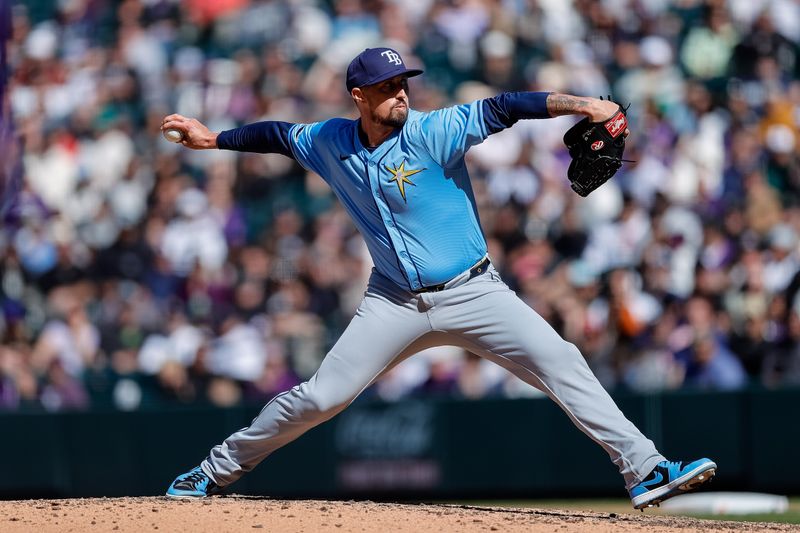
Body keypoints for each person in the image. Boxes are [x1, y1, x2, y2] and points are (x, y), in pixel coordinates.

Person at [162, 47, 716, 509]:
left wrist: (584, 104)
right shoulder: (331, 140)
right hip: (393, 303)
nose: (401, 92)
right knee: (317, 398)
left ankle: (646, 469)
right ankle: (209, 474)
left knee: (561, 359)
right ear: (360, 97)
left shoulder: (434, 130)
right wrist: (215, 141)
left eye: (404, 82)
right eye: (388, 86)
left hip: (474, 292)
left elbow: (506, 106)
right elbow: (279, 134)